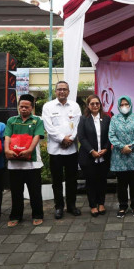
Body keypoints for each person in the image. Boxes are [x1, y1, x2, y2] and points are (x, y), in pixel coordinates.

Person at [42, 81, 82, 219]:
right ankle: (59, 207)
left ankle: (71, 206)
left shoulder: (75, 106)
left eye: (65, 89)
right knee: (57, 181)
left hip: (71, 150)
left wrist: (70, 139)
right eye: (59, 89)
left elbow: (77, 125)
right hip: (55, 150)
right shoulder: (48, 106)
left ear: (69, 91)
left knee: (72, 180)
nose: (62, 91)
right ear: (55, 91)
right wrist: (62, 139)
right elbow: (48, 127)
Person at [5, 94, 46, 227]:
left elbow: (37, 136)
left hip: (32, 163)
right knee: (16, 192)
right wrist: (7, 150)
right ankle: (16, 215)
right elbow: (7, 136)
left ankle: (37, 214)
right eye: (21, 106)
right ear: (18, 107)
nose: (23, 109)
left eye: (26, 107)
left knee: (35, 192)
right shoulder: (11, 120)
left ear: (32, 108)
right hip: (14, 163)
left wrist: (29, 150)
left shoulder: (37, 121)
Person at [109, 96, 134, 219]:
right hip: (119, 156)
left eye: (126, 104)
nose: (124, 106)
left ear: (130, 105)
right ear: (119, 106)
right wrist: (121, 147)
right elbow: (111, 135)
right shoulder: (114, 119)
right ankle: (122, 206)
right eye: (122, 104)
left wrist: (131, 146)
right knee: (122, 184)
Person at [78, 95, 111, 217]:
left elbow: (110, 136)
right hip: (88, 156)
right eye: (92, 104)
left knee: (102, 180)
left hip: (104, 155)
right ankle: (93, 205)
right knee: (91, 181)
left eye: (97, 103)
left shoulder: (107, 118)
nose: (95, 106)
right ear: (88, 106)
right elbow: (81, 137)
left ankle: (101, 203)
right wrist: (91, 151)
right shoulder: (83, 119)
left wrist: (106, 149)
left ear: (100, 105)